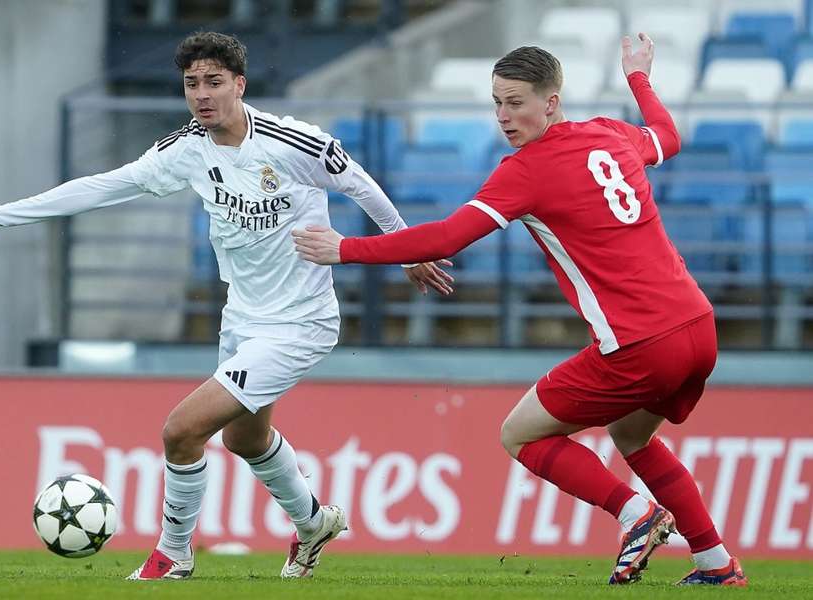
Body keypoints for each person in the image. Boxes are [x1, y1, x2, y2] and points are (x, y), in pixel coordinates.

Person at [0, 31, 453, 580]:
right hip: (243, 318)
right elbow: (102, 186)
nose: (201, 94)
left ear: (239, 85)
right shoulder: (185, 151)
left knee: (181, 430)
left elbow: (362, 186)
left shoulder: (293, 143)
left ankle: (174, 553)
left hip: (301, 322)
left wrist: (406, 250)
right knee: (244, 438)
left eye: (213, 82)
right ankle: (314, 522)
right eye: (191, 84)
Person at [293, 34, 747, 587]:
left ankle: (636, 515)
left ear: (550, 102)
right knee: (633, 438)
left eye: (516, 102)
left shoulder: (527, 170)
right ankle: (716, 564)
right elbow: (669, 138)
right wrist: (638, 77)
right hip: (697, 327)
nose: (504, 116)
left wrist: (346, 249)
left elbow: (448, 236)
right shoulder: (610, 133)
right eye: (496, 103)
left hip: (639, 343)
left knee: (520, 435)